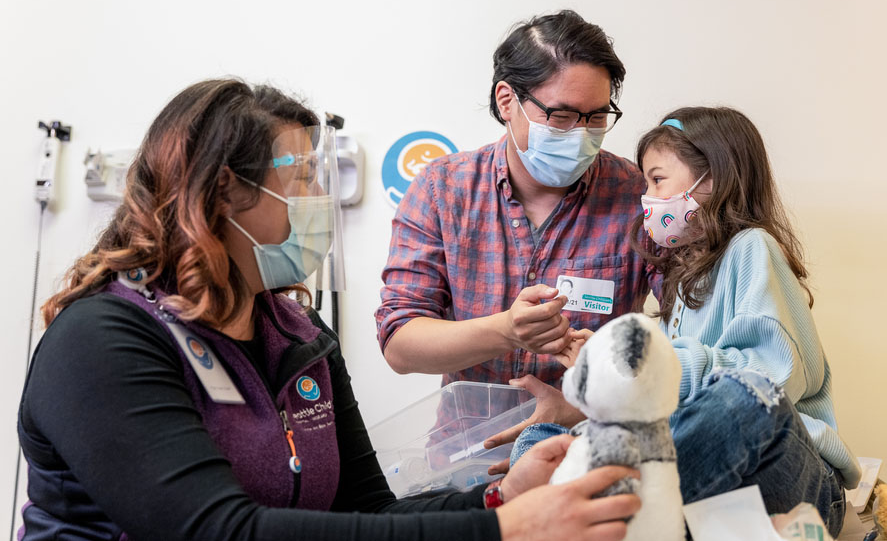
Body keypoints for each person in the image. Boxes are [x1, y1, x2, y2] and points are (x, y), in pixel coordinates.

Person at [16, 79, 642, 541]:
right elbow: (217, 531)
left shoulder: (298, 334)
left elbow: (365, 512)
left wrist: (501, 496)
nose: (322, 202)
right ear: (225, 190)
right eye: (303, 180)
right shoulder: (105, 339)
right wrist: (503, 531)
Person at [511, 107, 861, 537]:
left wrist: (656, 367)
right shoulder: (685, 277)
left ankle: (608, 515)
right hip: (723, 494)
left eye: (658, 180)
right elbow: (671, 397)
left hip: (801, 482)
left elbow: (772, 380)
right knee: (544, 441)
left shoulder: (752, 248)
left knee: (744, 396)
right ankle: (613, 514)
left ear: (711, 180)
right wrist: (613, 372)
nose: (647, 198)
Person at [375, 10, 651, 432]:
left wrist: (586, 406)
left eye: (596, 118)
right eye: (560, 116)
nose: (581, 135)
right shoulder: (443, 190)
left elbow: (692, 329)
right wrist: (506, 330)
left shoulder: (635, 196)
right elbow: (400, 344)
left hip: (592, 450)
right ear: (508, 101)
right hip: (467, 458)